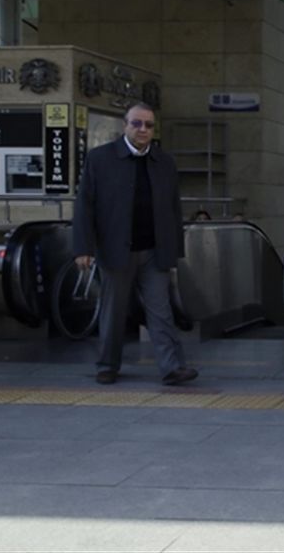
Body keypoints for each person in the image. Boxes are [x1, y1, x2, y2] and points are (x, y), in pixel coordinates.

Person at [72, 103, 197, 386]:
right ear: (124, 126)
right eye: (137, 124)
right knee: (113, 311)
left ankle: (171, 367)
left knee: (160, 310)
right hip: (116, 249)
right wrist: (83, 247)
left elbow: (173, 208)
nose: (143, 130)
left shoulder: (164, 162)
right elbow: (85, 206)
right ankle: (107, 365)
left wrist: (175, 249)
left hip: (154, 250)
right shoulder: (100, 159)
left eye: (149, 125)